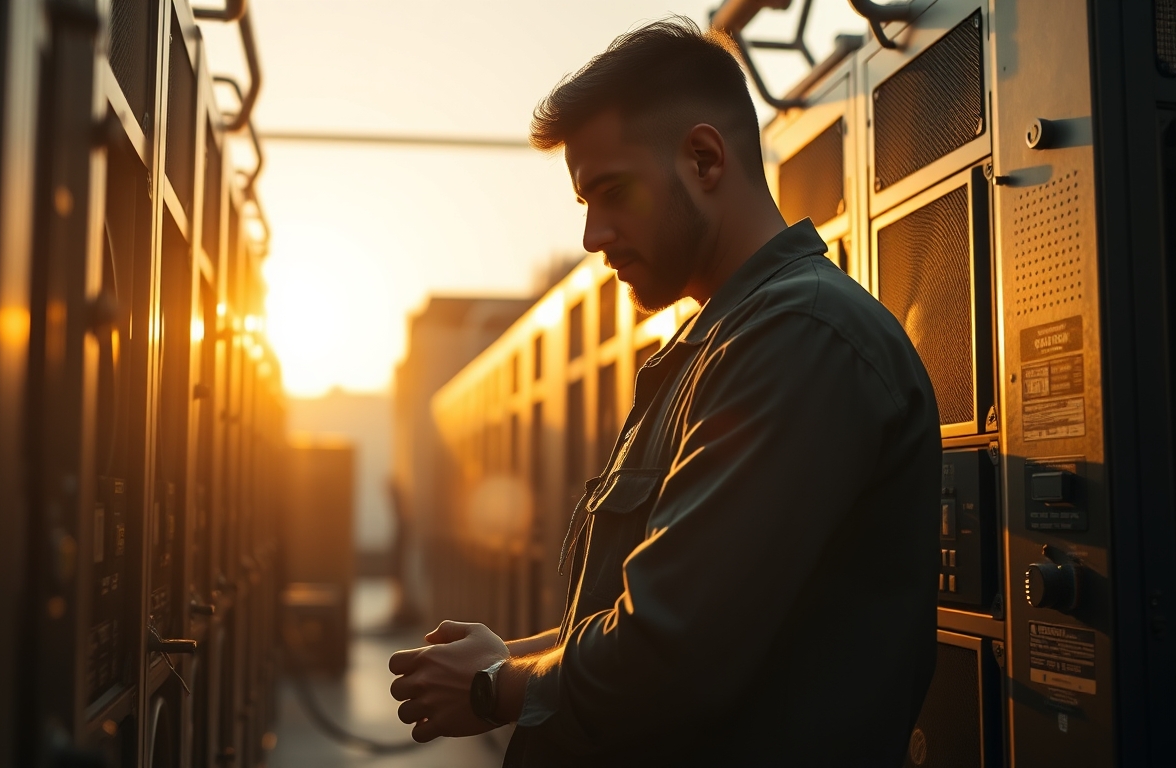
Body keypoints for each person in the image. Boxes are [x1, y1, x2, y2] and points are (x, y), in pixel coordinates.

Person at [389, 17, 940, 767]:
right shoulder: (715, 345)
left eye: (611, 192)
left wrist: (494, 684)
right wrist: (506, 654)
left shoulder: (797, 338)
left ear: (705, 159)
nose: (592, 234)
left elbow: (670, 647)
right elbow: (647, 610)